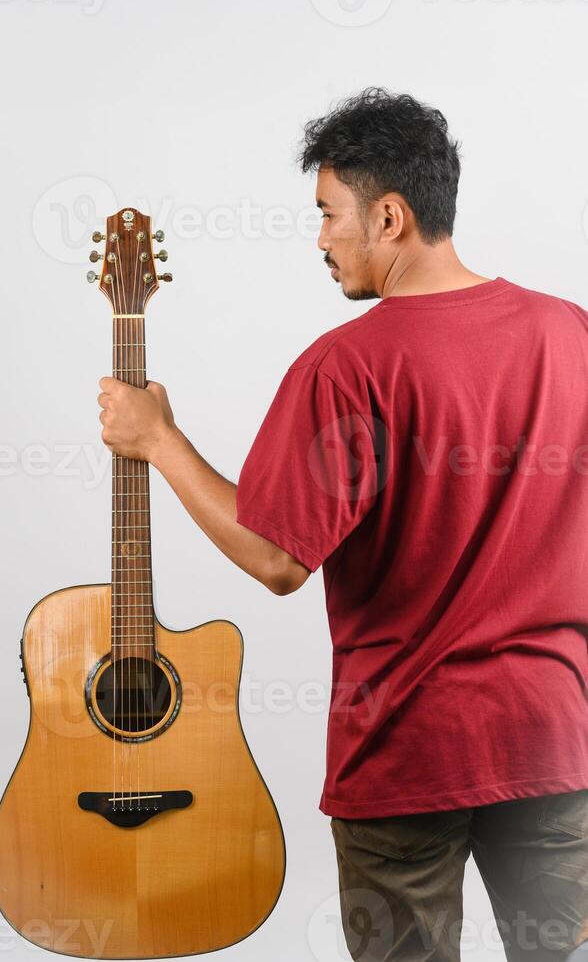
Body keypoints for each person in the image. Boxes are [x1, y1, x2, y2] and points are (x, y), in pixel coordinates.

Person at [96, 87, 588, 961]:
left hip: (406, 752)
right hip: (555, 737)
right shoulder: (571, 335)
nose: (320, 238)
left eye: (328, 214)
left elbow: (280, 560)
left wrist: (160, 441)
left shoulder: (346, 366)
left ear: (389, 216)